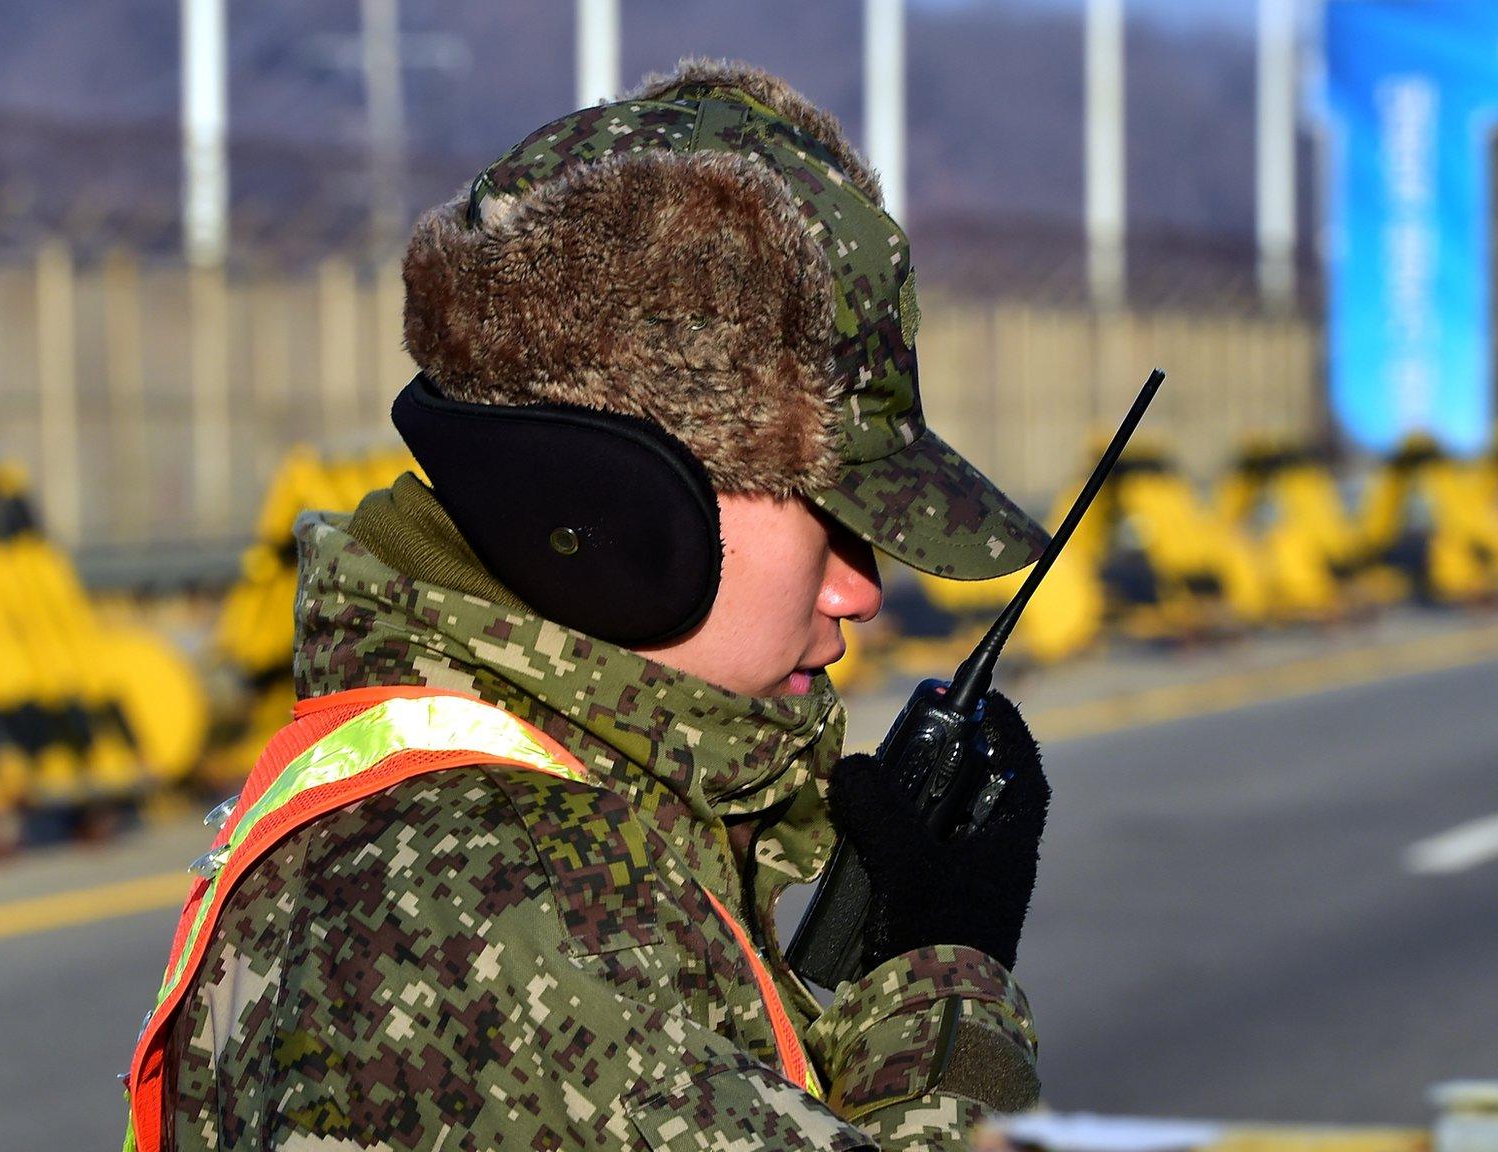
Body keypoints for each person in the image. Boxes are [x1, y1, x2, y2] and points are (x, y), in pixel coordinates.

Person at [123, 60, 1055, 1152]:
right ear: (614, 508)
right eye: (829, 516)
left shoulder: (523, 815)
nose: (859, 588)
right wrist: (947, 1000)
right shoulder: (491, 911)